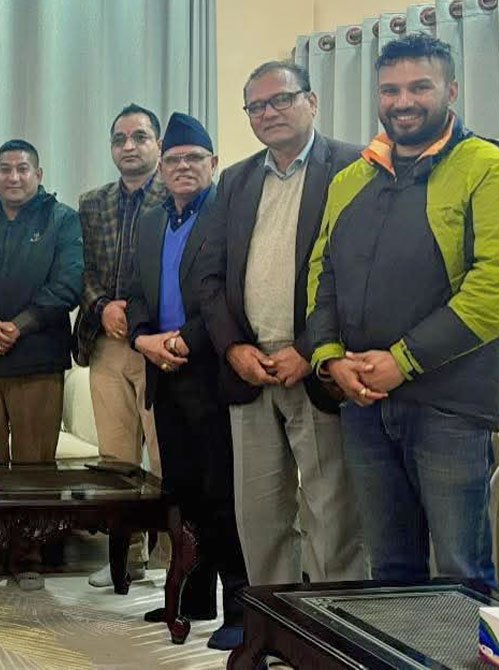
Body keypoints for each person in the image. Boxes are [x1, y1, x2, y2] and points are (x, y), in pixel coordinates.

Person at [306, 33, 499, 586]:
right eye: (390, 90)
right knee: (389, 569)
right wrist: (329, 357)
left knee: (460, 571)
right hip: (363, 402)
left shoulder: (492, 168)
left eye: (419, 87)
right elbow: (321, 272)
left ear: (451, 90)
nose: (403, 101)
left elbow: (498, 287)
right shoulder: (351, 178)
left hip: (449, 407)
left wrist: (403, 360)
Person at [196, 61, 367, 589]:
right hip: (250, 372)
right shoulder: (236, 180)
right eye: (256, 106)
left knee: (331, 519)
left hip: (316, 370)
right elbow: (209, 276)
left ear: (311, 102)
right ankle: (274, 625)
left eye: (281, 100)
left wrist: (311, 350)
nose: (268, 112)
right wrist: (233, 349)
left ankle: (333, 628)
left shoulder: (352, 166)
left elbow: (359, 275)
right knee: (260, 519)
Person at [126, 113, 248, 651]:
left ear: (213, 163)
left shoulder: (228, 214)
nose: (182, 168)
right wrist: (142, 339)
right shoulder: (152, 221)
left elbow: (230, 294)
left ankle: (239, 608)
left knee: (223, 497)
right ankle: (192, 598)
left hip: (211, 373)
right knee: (182, 496)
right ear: (161, 168)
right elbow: (135, 293)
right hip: (164, 373)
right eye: (173, 160)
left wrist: (185, 341)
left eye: (193, 159)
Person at [0, 138, 82, 590]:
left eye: (22, 168)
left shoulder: (61, 220)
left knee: (34, 465)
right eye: (5, 169)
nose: (13, 177)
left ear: (38, 175)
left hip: (38, 360)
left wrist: (17, 327)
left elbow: (68, 284)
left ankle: (30, 555)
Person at [75, 104, 169, 588]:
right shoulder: (92, 203)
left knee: (167, 457)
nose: (129, 146)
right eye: (120, 139)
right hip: (105, 343)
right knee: (116, 459)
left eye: (140, 137)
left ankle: (172, 559)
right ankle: (123, 558)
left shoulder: (176, 194)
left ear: (158, 144)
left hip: (158, 346)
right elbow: (80, 268)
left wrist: (134, 316)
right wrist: (101, 306)